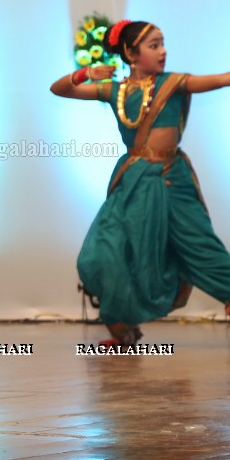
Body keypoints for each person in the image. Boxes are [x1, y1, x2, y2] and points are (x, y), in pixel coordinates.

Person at [50, 20, 230, 347]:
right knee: (102, 252)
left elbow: (219, 80)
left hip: (170, 179)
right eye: (154, 45)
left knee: (200, 248)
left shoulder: (174, 83)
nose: (163, 52)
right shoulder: (116, 90)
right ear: (131, 53)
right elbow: (59, 89)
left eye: (163, 44)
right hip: (133, 179)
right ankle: (122, 328)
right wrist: (84, 74)